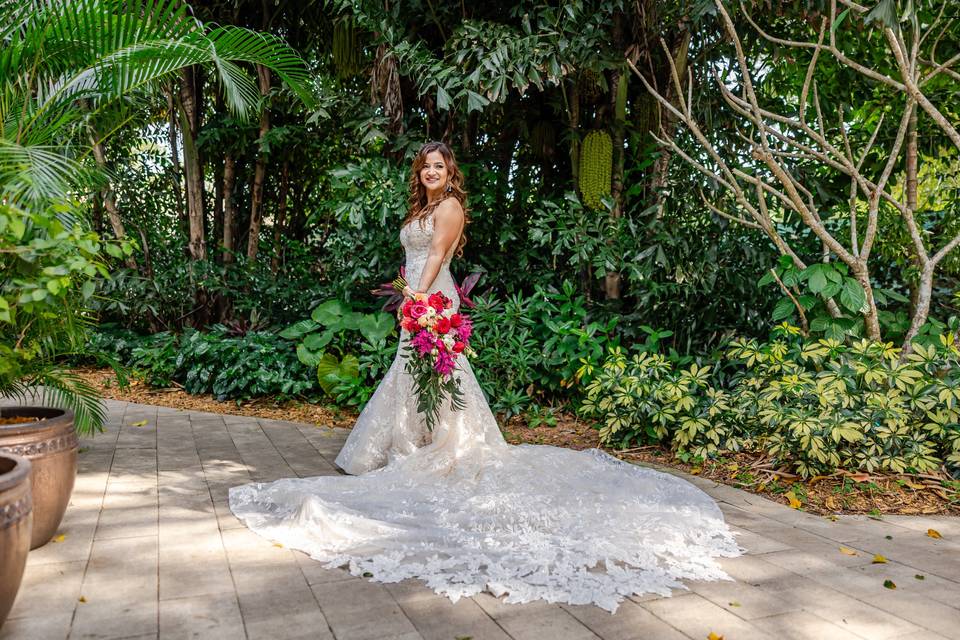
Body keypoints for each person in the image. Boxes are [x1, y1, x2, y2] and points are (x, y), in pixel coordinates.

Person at [229, 141, 741, 613]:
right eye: (424, 166)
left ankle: (445, 443)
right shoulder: (422, 209)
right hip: (418, 294)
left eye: (438, 166)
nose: (431, 172)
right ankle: (406, 443)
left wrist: (417, 298)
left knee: (438, 373)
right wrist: (410, 291)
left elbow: (437, 255)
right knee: (411, 373)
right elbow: (415, 250)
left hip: (432, 297)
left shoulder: (448, 207)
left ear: (450, 172)